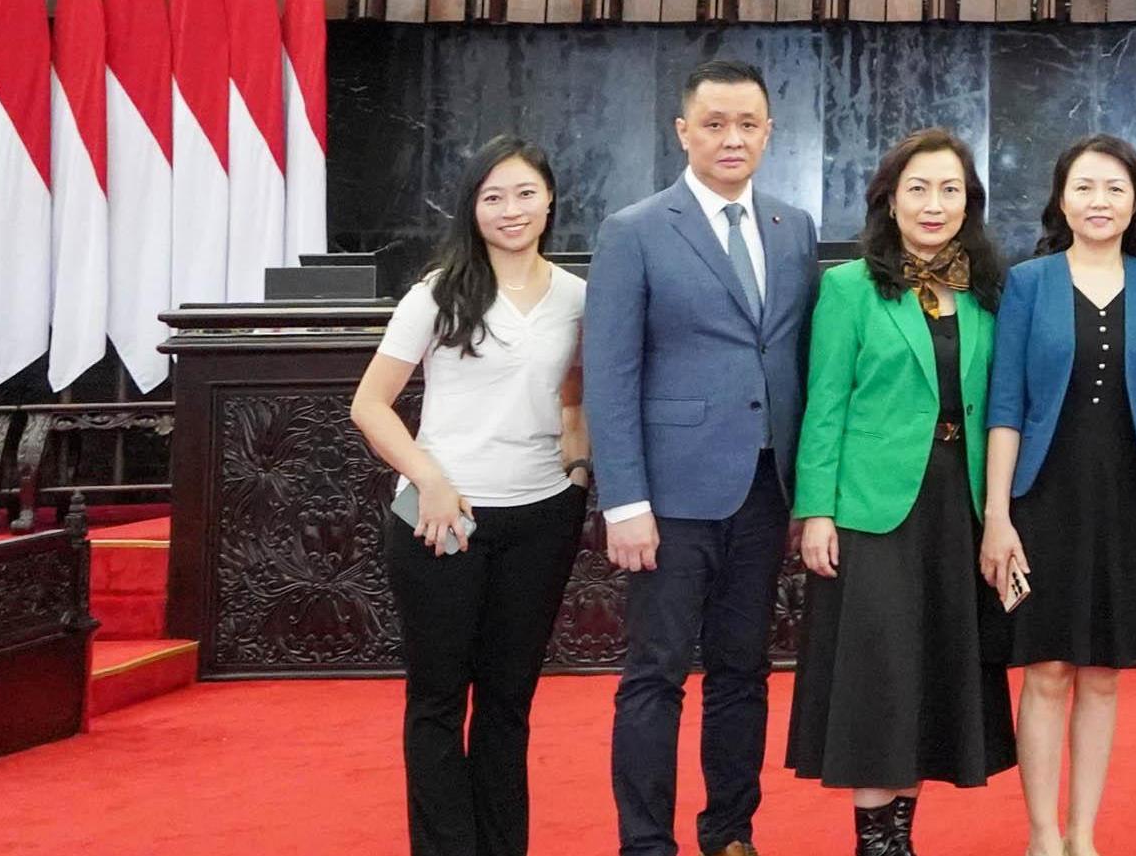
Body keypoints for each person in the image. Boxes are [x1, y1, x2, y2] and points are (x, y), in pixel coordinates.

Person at [583, 59, 821, 856]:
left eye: (747, 124)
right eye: (714, 123)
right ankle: (645, 842)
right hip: (669, 497)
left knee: (742, 672)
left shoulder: (795, 229)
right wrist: (623, 500)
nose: (731, 138)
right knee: (654, 673)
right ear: (683, 131)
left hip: (763, 487)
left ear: (768, 133)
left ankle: (729, 832)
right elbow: (609, 377)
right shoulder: (634, 230)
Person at [351, 137, 590, 856]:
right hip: (440, 517)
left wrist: (576, 478)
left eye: (524, 193)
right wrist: (429, 479)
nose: (510, 210)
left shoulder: (581, 297)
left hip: (542, 515)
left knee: (508, 702)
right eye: (492, 196)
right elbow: (370, 403)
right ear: (472, 208)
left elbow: (574, 403)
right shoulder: (437, 292)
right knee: (437, 698)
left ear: (549, 199)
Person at [787, 129, 1018, 856]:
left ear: (969, 203)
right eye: (918, 187)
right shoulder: (848, 287)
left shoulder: (984, 288)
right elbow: (823, 404)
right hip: (873, 506)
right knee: (878, 672)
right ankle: (873, 841)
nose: (934, 203)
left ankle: (901, 839)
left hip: (961, 502)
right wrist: (815, 509)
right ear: (888, 198)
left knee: (931, 670)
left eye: (950, 189)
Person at [982, 134, 1136, 856]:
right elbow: (1005, 405)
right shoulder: (1029, 281)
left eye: (1115, 188)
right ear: (1061, 197)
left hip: (1131, 498)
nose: (1099, 201)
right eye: (1084, 187)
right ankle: (1041, 834)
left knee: (1103, 674)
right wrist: (997, 515)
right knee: (1046, 670)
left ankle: (1083, 834)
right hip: (1044, 499)